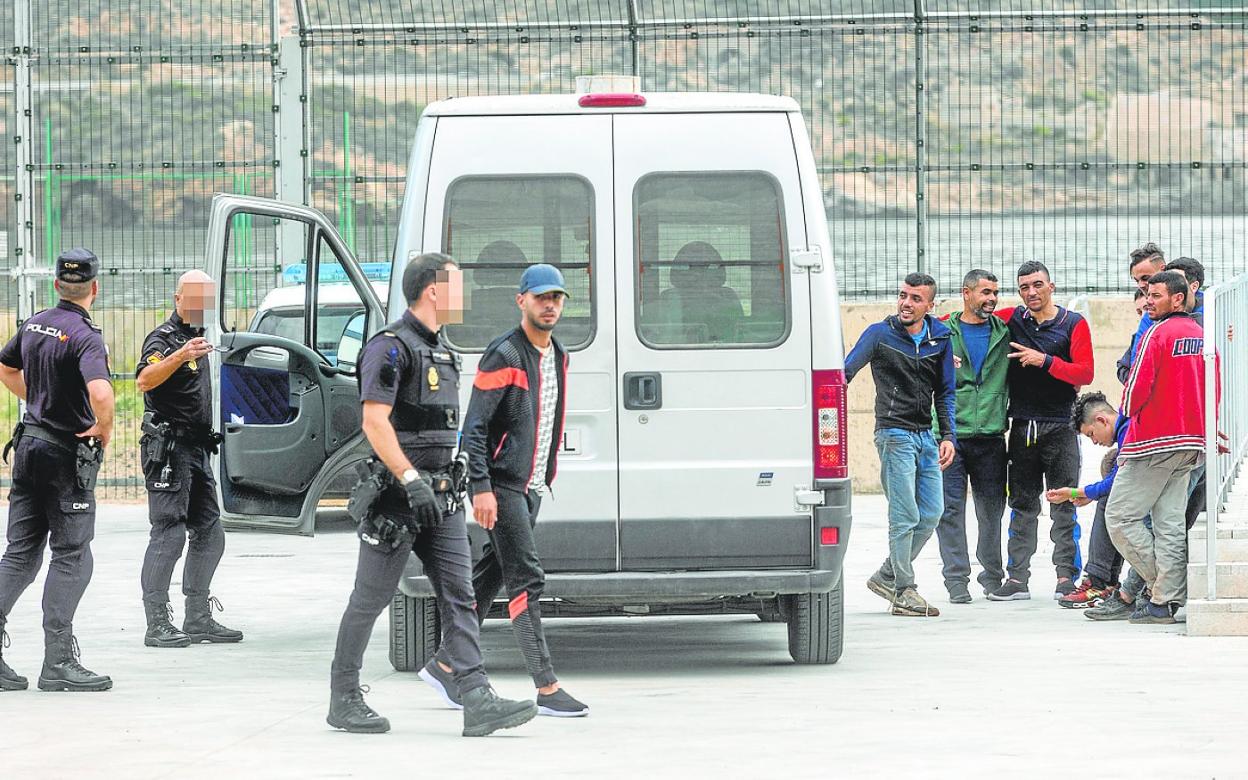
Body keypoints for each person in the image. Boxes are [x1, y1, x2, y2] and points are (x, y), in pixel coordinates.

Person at [327, 253, 537, 736]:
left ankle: (477, 697)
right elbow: (374, 422)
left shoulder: (441, 350)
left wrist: (456, 467)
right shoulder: (390, 347)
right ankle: (343, 697)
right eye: (457, 285)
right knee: (370, 598)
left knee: (461, 596)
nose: (463, 295)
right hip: (399, 499)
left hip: (441, 499)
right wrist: (408, 479)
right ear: (434, 290)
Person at [424, 263, 588, 717]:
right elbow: (474, 428)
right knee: (527, 580)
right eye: (540, 298)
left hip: (531, 486)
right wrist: (481, 488)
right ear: (522, 301)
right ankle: (547, 686)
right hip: (501, 485)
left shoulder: (559, 354)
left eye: (556, 298)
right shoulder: (505, 355)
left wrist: (539, 479)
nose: (549, 305)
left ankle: (444, 664)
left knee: (490, 577)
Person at [0, 248, 114, 692]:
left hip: (28, 445)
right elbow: (102, 394)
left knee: (20, 554)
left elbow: (6, 367)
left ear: (56, 285)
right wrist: (104, 429)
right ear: (94, 287)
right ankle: (59, 661)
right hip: (64, 456)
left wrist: (38, 400)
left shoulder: (33, 323)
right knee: (72, 554)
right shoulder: (86, 336)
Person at [134, 270, 242, 648]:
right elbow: (145, 380)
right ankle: (157, 622)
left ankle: (197, 616)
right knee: (168, 534)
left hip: (196, 450)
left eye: (206, 299)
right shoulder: (163, 339)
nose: (200, 306)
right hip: (168, 450)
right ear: (178, 298)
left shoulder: (200, 339)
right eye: (193, 298)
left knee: (211, 532)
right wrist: (180, 356)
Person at [1105, 271, 1213, 625]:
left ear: (1177, 298)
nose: (1148, 300)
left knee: (1119, 517)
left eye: (1155, 295)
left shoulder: (1156, 333)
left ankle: (1168, 588)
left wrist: (1125, 420)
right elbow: (1215, 386)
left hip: (1153, 441)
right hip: (1191, 442)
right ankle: (1162, 605)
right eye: (1147, 294)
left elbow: (1136, 388)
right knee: (1168, 523)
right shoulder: (1201, 335)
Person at [846, 272, 956, 618]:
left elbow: (946, 391)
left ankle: (887, 575)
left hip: (927, 436)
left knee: (932, 512)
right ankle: (904, 590)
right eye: (903, 295)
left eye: (915, 298)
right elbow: (844, 372)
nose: (906, 303)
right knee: (904, 515)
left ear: (930, 305)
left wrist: (948, 436)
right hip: (894, 434)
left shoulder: (940, 336)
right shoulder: (880, 334)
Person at [988, 260, 1094, 602]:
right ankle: (1017, 579)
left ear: (1051, 286)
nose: (1031, 292)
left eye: (1037, 285)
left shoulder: (1073, 324)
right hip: (1022, 427)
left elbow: (1085, 374)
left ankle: (1066, 577)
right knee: (1021, 504)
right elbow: (967, 319)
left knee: (1064, 503)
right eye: (1024, 287)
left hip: (1061, 426)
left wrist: (1043, 360)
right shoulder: (1012, 319)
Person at [933, 270, 1009, 604]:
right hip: (949, 436)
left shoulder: (1004, 332)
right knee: (949, 511)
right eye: (985, 292)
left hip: (991, 436)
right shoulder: (940, 332)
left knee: (991, 511)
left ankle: (992, 578)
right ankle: (956, 581)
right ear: (967, 293)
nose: (992, 299)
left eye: (995, 293)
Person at [1047, 393, 1130, 610]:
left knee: (1109, 501)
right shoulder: (1126, 426)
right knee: (1108, 498)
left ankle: (1098, 581)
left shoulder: (1128, 429)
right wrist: (1086, 493)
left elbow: (1116, 482)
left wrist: (1080, 492)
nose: (1094, 441)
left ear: (1102, 420)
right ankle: (1105, 581)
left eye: (1091, 434)